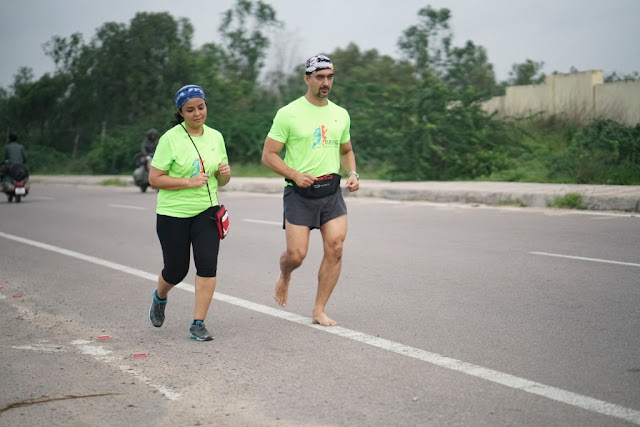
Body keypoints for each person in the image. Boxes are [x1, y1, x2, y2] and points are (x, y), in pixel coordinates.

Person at [261, 54, 359, 327]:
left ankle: (318, 309)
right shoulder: (288, 113)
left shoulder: (341, 114)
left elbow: (347, 150)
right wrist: (294, 174)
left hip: (331, 191)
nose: (325, 82)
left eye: (329, 77)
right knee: (296, 255)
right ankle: (285, 275)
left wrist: (353, 173)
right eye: (319, 77)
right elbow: (268, 156)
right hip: (299, 194)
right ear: (307, 79)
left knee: (336, 248)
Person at [147, 84, 231, 341]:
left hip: (207, 211)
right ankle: (160, 297)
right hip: (173, 214)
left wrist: (223, 175)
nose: (197, 114)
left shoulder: (216, 137)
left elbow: (222, 181)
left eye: (201, 107)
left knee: (207, 265)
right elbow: (154, 178)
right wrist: (188, 182)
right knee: (176, 269)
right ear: (181, 112)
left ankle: (198, 323)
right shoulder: (170, 139)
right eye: (190, 110)